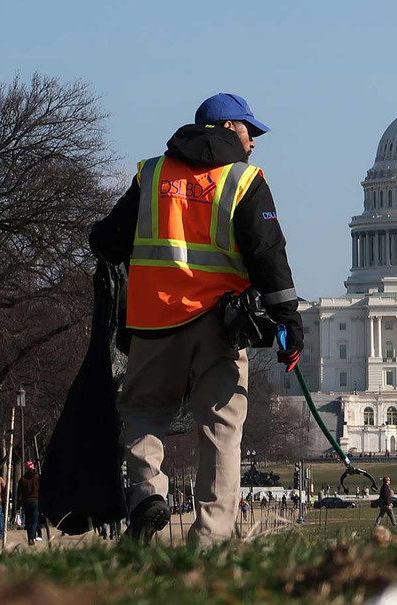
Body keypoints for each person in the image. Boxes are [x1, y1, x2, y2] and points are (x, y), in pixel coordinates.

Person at [89, 93, 304, 546]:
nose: (253, 142)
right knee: (221, 429)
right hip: (219, 326)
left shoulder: (152, 174)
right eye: (249, 131)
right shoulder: (244, 181)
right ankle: (210, 537)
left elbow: (107, 240)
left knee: (143, 412)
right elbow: (269, 255)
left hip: (153, 322)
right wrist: (288, 320)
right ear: (227, 128)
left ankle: (147, 493)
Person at [17, 461, 41, 545]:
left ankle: (29, 538)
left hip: (26, 502)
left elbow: (19, 494)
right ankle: (32, 537)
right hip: (36, 501)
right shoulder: (37, 477)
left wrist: (18, 506)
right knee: (34, 521)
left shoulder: (22, 479)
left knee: (28, 521)